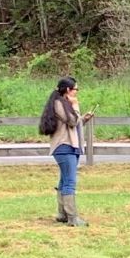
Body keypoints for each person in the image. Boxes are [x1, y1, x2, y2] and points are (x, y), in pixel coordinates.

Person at [43, 76, 86, 225]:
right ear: (68, 89)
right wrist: (76, 106)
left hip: (70, 146)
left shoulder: (64, 104)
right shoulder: (59, 104)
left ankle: (62, 214)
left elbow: (73, 123)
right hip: (64, 146)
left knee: (64, 181)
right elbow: (72, 121)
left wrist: (83, 119)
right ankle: (72, 218)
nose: (76, 92)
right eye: (76, 89)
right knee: (70, 182)